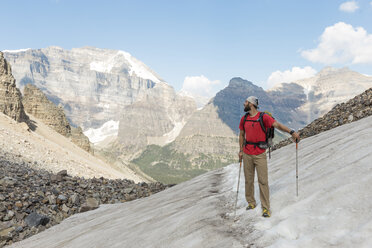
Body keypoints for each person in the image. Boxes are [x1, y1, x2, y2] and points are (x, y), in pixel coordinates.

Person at [238, 96, 300, 217]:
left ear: (251, 104)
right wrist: (240, 151)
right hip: (247, 153)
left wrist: (291, 132)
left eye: (246, 102)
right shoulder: (244, 118)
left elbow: (277, 125)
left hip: (260, 153)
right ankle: (251, 202)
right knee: (248, 180)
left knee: (263, 181)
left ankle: (265, 208)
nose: (243, 104)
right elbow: (241, 135)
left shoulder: (264, 117)